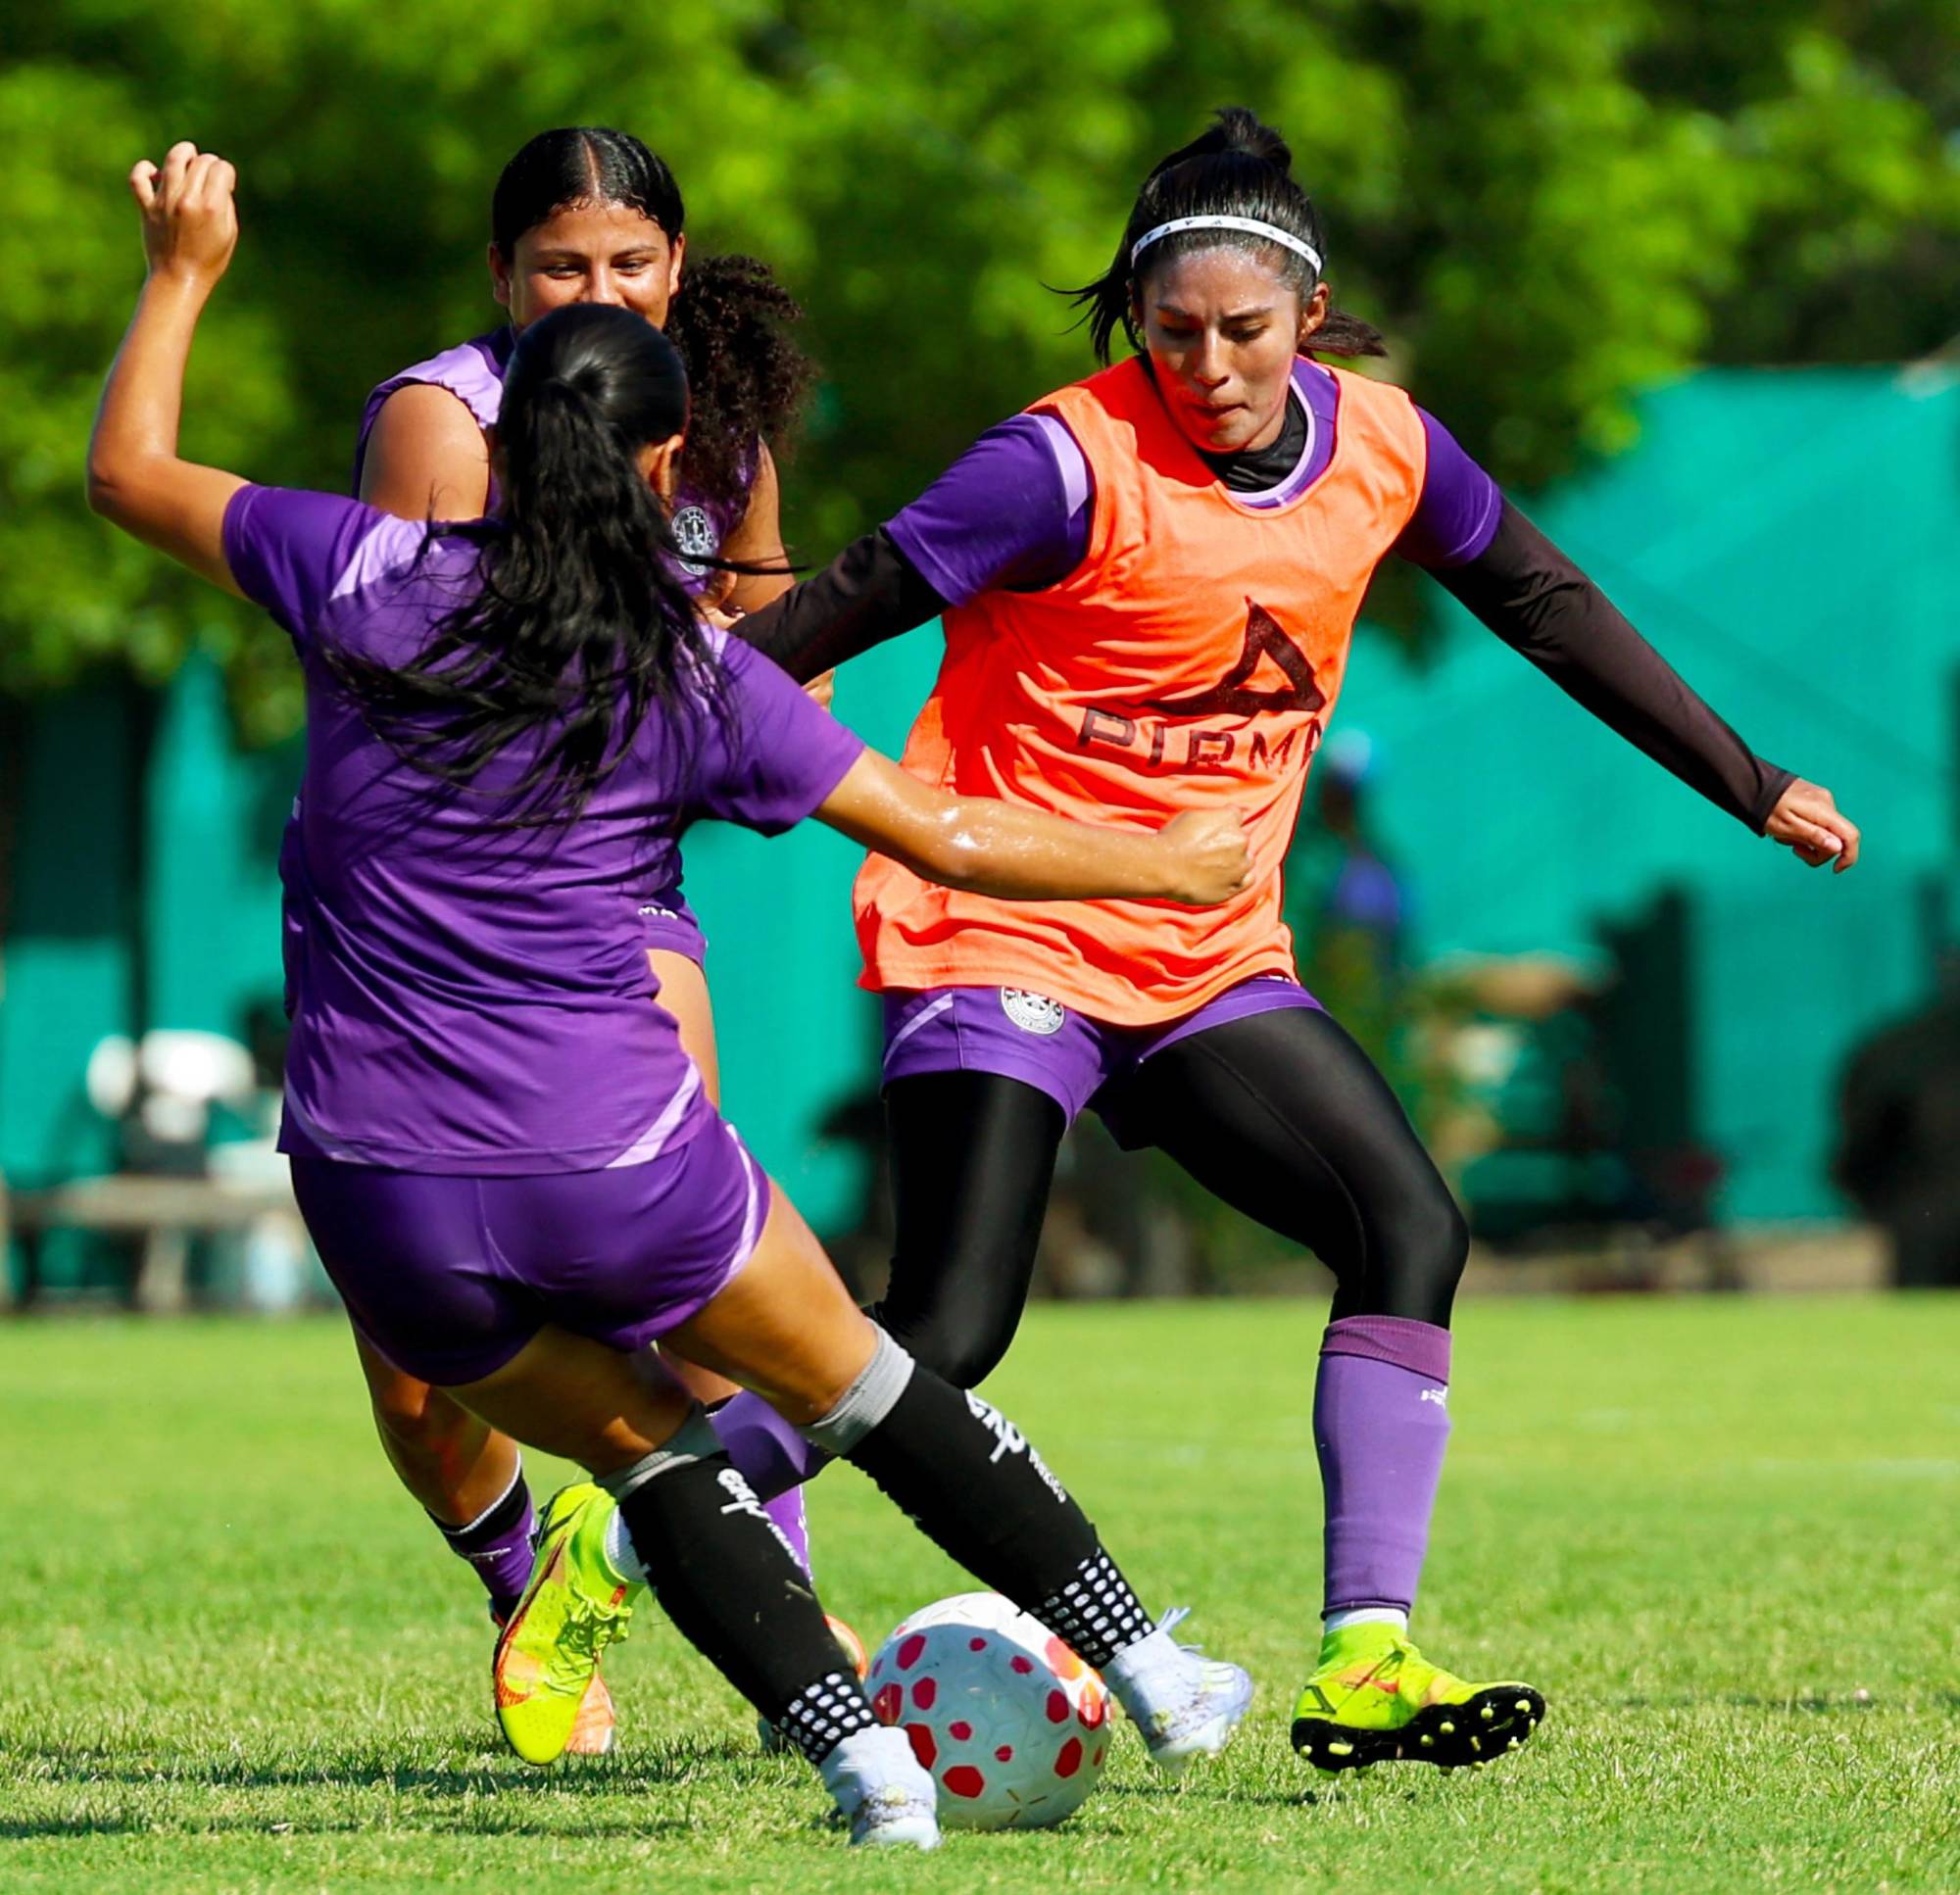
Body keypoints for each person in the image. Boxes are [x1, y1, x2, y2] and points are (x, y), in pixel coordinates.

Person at [88, 142, 1256, 1848]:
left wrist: (185, 267)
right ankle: (1155, 1666)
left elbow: (127, 474)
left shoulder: (352, 573)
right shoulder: (683, 667)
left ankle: (865, 1767)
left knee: (650, 1457)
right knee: (863, 1383)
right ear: (657, 462)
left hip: (377, 1190)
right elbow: (940, 828)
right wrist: (1177, 867)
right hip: (612, 1158)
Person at [706, 107, 1862, 1776]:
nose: (1208, 365)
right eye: (1171, 333)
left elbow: (1545, 602)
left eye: (1242, 330)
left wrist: (1746, 780)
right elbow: (839, 604)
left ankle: (1366, 1657)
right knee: (948, 1330)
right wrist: (641, 736)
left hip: (1203, 953)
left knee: (1408, 1224)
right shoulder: (1061, 462)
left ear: (1308, 317)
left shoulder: (1387, 448)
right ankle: (671, 1500)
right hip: (998, 923)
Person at [341, 126, 826, 1754]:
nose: (598, 290)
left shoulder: (718, 422)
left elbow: (775, 638)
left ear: (674, 272)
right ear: (503, 280)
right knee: (421, 1377)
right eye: (563, 266)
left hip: (620, 889)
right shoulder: (441, 419)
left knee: (683, 1245)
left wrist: (775, 687)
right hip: (426, 921)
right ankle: (521, 1573)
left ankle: (792, 1626)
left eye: (629, 264)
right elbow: (430, 668)